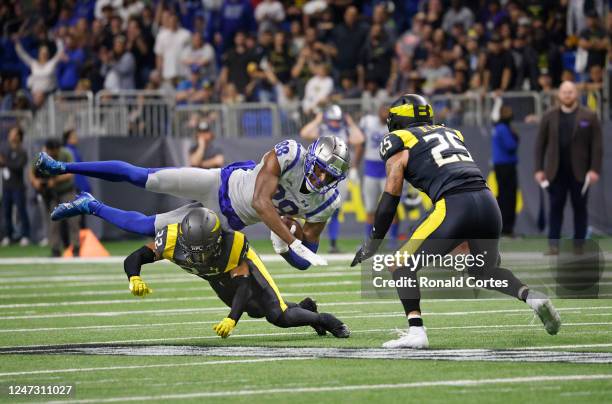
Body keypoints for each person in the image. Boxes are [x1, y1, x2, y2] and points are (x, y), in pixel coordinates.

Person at [351, 94, 561, 349]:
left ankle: (417, 332)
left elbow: (390, 197)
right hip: (487, 203)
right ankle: (532, 297)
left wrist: (373, 243)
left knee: (400, 264)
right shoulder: (450, 132)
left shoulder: (400, 140)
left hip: (454, 204)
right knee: (484, 271)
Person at [36, 136, 350, 270]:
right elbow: (260, 200)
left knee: (147, 226)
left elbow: (307, 257)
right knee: (144, 177)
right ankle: (63, 167)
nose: (321, 180)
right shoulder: (291, 154)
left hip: (226, 221)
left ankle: (91, 205)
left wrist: (286, 248)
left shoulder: (326, 203)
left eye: (328, 177)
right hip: (220, 183)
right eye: (320, 171)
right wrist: (288, 237)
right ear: (311, 160)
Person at [51, 205, 350, 339]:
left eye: (204, 248)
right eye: (194, 249)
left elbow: (244, 287)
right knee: (258, 311)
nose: (198, 255)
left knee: (277, 315)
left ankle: (324, 320)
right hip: (216, 277)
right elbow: (134, 258)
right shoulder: (169, 239)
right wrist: (135, 277)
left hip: (241, 271)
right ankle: (306, 307)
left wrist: (232, 319)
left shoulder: (232, 244)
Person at [534, 81, 602, 255]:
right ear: (559, 95)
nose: (567, 95)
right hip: (555, 172)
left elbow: (597, 146)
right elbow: (540, 145)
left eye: (571, 92)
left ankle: (579, 245)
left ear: (576, 94)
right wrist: (538, 169)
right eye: (564, 92)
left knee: (580, 208)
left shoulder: (590, 115)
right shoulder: (549, 115)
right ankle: (553, 245)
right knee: (555, 207)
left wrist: (594, 169)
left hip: (580, 173)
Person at [300, 104, 364, 253]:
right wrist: (317, 120)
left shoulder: (346, 130)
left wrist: (351, 123)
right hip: (320, 174)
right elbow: (304, 133)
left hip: (337, 177)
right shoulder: (322, 130)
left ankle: (333, 244)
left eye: (337, 120)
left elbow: (360, 139)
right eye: (332, 120)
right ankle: (303, 240)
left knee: (335, 209)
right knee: (311, 207)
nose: (335, 123)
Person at [30, 139, 80, 257]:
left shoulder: (66, 154)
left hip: (67, 190)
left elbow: (71, 173)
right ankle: (55, 249)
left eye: (54, 151)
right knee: (53, 221)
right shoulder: (42, 156)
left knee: (73, 219)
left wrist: (55, 181)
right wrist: (35, 181)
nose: (52, 153)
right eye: (50, 151)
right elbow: (31, 171)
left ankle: (76, 248)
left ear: (58, 149)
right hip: (51, 193)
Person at [359, 104, 400, 246]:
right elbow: (360, 141)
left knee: (392, 207)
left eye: (387, 112)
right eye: (383, 110)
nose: (384, 114)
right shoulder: (368, 122)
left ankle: (393, 240)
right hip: (370, 169)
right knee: (370, 208)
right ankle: (369, 241)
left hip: (388, 170)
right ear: (378, 111)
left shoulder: (395, 126)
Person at [0, 126, 30, 247]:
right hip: (6, 186)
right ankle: (8, 235)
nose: (11, 135)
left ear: (18, 136)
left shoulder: (22, 152)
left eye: (14, 133)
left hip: (18, 187)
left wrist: (5, 161)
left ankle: (25, 235)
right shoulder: (5, 149)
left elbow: (18, 167)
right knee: (6, 212)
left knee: (21, 211)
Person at [491, 105, 519, 237]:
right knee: (508, 197)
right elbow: (510, 145)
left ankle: (502, 227)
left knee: (502, 196)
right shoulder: (503, 128)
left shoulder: (497, 127)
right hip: (506, 165)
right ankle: (507, 228)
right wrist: (515, 137)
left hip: (500, 165)